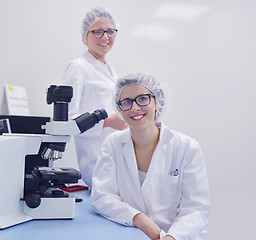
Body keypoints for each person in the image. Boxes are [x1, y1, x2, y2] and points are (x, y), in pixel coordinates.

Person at [91, 73, 210, 240]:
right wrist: (138, 218)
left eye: (142, 99)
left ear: (158, 102)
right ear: (119, 109)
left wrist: (171, 237)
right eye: (126, 102)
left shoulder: (187, 147)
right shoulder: (113, 144)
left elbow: (196, 209)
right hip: (133, 233)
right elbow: (102, 196)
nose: (134, 108)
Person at [62, 6, 127, 187]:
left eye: (110, 31)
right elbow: (66, 121)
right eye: (97, 32)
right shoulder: (78, 67)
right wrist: (107, 122)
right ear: (85, 36)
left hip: (115, 153)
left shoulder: (110, 71)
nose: (105, 37)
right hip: (94, 159)